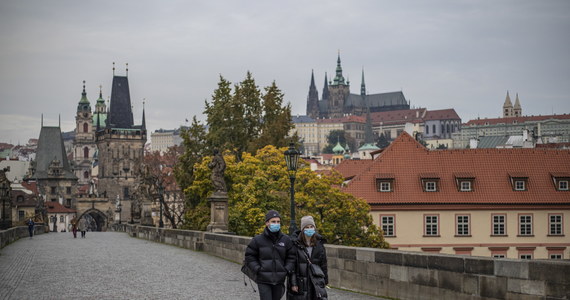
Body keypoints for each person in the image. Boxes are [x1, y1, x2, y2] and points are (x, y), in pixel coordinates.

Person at [245, 210, 296, 300]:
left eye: (278, 222)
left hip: (279, 279)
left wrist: (286, 270)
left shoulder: (286, 240)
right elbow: (249, 256)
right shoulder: (258, 240)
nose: (276, 224)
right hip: (263, 279)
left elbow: (291, 257)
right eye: (273, 221)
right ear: (267, 223)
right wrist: (258, 269)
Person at [287, 216, 328, 300]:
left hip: (315, 281)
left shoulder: (319, 244)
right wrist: (293, 283)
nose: (310, 229)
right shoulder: (295, 244)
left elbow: (323, 264)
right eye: (307, 227)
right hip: (300, 281)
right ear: (303, 229)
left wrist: (324, 281)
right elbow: (292, 266)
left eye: (311, 227)